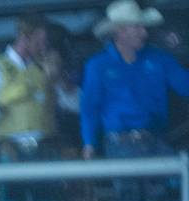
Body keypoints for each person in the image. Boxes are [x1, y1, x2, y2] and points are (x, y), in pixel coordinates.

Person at [81, 2, 189, 161]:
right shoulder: (98, 65)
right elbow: (90, 108)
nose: (144, 32)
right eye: (137, 27)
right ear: (120, 31)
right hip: (118, 145)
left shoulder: (160, 59)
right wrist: (89, 144)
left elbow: (185, 86)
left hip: (156, 140)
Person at [0, 13, 81, 163]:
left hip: (48, 150)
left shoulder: (47, 68)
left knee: (51, 187)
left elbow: (77, 105)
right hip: (11, 151)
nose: (43, 47)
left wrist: (60, 81)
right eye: (40, 41)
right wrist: (4, 100)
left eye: (46, 42)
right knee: (14, 186)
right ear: (25, 37)